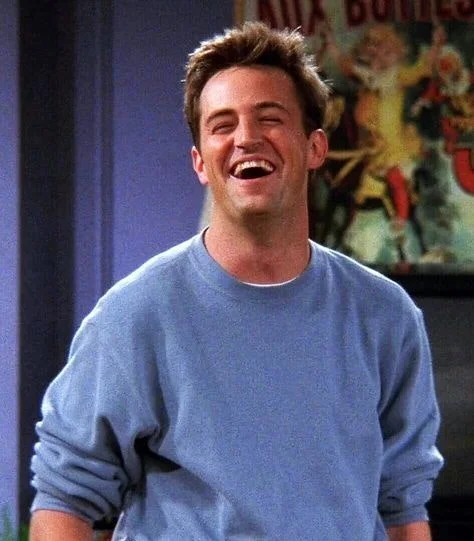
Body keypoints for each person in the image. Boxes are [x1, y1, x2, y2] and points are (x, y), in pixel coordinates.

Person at [29, 22, 443, 540]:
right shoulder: (134, 316)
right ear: (200, 162)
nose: (246, 138)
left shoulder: (385, 315)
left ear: (315, 147)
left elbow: (403, 505)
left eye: (270, 118)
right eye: (222, 125)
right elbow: (64, 498)